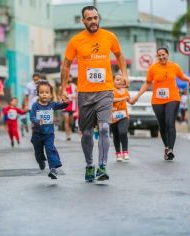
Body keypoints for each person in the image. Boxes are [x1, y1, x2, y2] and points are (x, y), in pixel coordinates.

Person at [60, 5, 128, 182]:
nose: (93, 21)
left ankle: (102, 167)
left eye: (95, 18)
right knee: (87, 133)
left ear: (99, 18)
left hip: (105, 90)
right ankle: (90, 165)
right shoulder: (76, 40)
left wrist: (124, 74)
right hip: (85, 93)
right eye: (89, 18)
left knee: (105, 128)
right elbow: (66, 64)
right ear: (83, 21)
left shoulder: (109, 36)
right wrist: (62, 89)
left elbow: (120, 56)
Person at [134, 47, 190, 161]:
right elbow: (147, 83)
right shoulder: (153, 68)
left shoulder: (174, 66)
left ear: (167, 54)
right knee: (162, 124)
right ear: (157, 57)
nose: (161, 57)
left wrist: (189, 79)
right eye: (159, 55)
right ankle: (166, 147)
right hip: (157, 100)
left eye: (163, 54)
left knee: (169, 122)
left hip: (172, 98)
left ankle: (171, 149)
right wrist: (137, 96)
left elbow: (181, 76)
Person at [30, 81, 68, 179]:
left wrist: (65, 103)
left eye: (47, 92)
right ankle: (40, 160)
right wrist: (38, 121)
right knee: (38, 152)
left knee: (50, 149)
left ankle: (53, 169)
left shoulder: (52, 105)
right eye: (42, 92)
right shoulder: (35, 106)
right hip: (37, 134)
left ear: (50, 94)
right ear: (38, 94)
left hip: (49, 134)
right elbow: (32, 117)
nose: (44, 94)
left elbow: (61, 105)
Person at [111, 74, 137, 162]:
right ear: (113, 81)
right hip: (113, 117)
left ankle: (125, 152)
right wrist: (122, 99)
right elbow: (111, 100)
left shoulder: (125, 90)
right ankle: (118, 153)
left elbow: (131, 101)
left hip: (124, 116)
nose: (120, 81)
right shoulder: (111, 90)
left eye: (121, 80)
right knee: (116, 135)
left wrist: (136, 97)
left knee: (123, 132)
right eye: (117, 80)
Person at [62, 76, 77, 141]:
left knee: (71, 122)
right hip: (65, 107)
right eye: (67, 77)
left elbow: (77, 95)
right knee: (66, 121)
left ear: (71, 78)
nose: (68, 79)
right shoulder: (62, 86)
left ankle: (70, 132)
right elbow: (60, 95)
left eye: (69, 77)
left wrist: (71, 96)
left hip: (72, 107)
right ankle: (67, 135)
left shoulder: (74, 86)